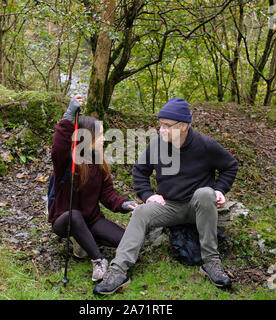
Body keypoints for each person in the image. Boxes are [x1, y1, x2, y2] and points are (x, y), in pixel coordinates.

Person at [94, 98, 238, 295]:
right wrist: (147, 195)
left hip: (199, 206)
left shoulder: (206, 145)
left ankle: (211, 262)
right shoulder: (157, 145)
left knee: (206, 193)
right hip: (170, 206)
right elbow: (139, 171)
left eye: (166, 125)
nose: (161, 129)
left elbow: (230, 166)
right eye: (160, 124)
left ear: (184, 126)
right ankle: (118, 270)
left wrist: (220, 189)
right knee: (142, 212)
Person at [48, 95, 137, 282]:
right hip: (65, 219)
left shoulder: (99, 163)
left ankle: (84, 239)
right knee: (75, 215)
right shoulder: (67, 161)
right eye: (101, 134)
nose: (104, 138)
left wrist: (124, 204)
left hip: (92, 220)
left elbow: (108, 195)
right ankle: (98, 260)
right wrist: (69, 114)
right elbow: (58, 147)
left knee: (126, 242)